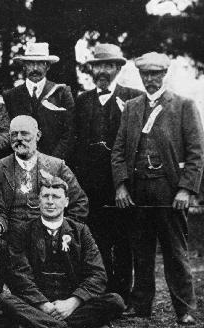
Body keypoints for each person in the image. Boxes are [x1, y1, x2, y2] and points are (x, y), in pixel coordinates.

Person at [111, 52, 204, 325]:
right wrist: (121, 186)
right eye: (145, 74)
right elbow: (118, 151)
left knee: (175, 251)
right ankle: (140, 304)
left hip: (170, 191)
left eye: (155, 74)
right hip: (138, 191)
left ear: (164, 74)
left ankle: (184, 308)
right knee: (140, 250)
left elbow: (196, 153)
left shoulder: (183, 106)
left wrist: (186, 189)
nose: (150, 79)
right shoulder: (132, 107)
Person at [0, 177, 124, 328]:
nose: (50, 202)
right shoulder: (23, 231)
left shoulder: (80, 231)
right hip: (37, 305)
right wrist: (43, 304)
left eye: (56, 197)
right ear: (38, 201)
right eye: (45, 196)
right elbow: (19, 275)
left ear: (66, 202)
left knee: (115, 301)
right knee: (5, 300)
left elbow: (97, 274)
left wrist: (72, 303)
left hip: (71, 307)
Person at [72, 44, 143, 301]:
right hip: (90, 184)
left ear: (118, 68)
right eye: (98, 66)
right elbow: (75, 143)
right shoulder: (82, 100)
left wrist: (125, 181)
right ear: (91, 69)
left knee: (123, 239)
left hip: (121, 183)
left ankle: (123, 294)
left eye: (108, 66)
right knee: (96, 237)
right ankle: (101, 291)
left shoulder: (134, 98)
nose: (103, 71)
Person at [0, 115, 88, 288]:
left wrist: (63, 229)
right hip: (12, 237)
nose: (19, 139)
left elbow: (80, 202)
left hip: (48, 235)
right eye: (14, 134)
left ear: (38, 135)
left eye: (25, 134)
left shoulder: (57, 166)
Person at [2, 43, 74, 161]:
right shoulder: (10, 95)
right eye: (30, 63)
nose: (35, 68)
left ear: (48, 66)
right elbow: (8, 133)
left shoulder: (62, 92)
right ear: (24, 66)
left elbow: (69, 133)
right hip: (21, 162)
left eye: (40, 63)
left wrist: (52, 162)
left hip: (54, 163)